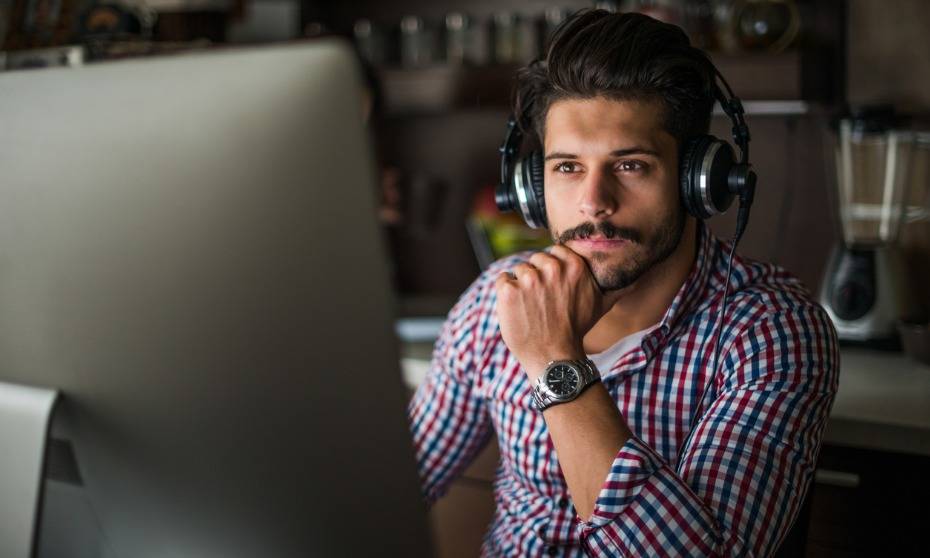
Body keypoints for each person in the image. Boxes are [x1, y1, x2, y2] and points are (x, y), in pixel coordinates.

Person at [408, 10, 838, 557]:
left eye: (630, 165)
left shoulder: (770, 333)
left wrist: (554, 362)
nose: (594, 202)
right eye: (567, 168)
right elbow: (394, 486)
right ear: (532, 189)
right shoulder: (499, 297)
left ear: (697, 179)